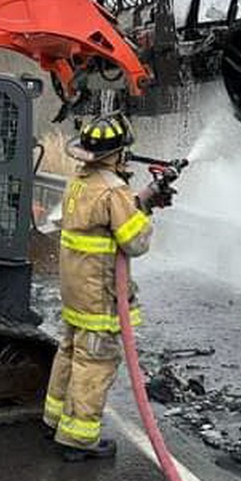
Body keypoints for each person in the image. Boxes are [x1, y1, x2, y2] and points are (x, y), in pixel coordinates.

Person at [42, 112, 173, 462]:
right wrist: (145, 212)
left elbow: (103, 220)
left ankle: (54, 420)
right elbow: (135, 242)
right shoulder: (114, 190)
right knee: (95, 361)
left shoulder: (80, 181)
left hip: (75, 288)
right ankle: (78, 438)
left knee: (70, 351)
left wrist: (143, 199)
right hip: (99, 293)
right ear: (116, 153)